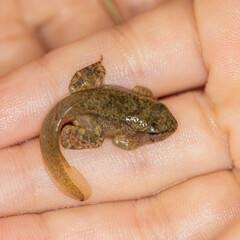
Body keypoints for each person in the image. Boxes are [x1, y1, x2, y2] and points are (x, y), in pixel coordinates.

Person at [0, 0, 240, 239]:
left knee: (98, 78)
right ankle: (68, 137)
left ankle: (79, 106)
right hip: (85, 112)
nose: (161, 135)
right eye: (155, 134)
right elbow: (119, 142)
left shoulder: (145, 100)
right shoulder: (132, 133)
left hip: (82, 93)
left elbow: (139, 88)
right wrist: (138, 141)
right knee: (95, 140)